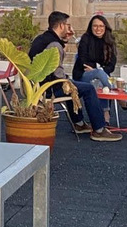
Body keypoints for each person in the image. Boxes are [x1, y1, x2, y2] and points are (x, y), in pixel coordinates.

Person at [29, 11, 122, 142]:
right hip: (48, 89)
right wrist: (67, 80)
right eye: (68, 25)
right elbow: (56, 73)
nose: (69, 28)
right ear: (61, 26)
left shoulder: (42, 39)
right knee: (87, 89)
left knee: (72, 84)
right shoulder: (54, 45)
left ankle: (79, 124)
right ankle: (99, 130)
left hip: (38, 86)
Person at [72, 14, 127, 124]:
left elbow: (111, 65)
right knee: (100, 74)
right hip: (83, 75)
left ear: (105, 27)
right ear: (91, 27)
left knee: (101, 79)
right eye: (95, 26)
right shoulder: (85, 39)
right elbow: (83, 60)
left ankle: (105, 117)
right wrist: (98, 69)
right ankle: (120, 99)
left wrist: (99, 70)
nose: (98, 29)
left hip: (100, 75)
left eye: (101, 26)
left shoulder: (109, 41)